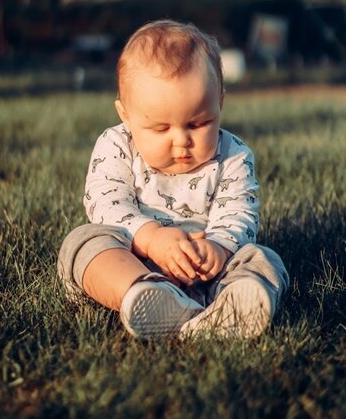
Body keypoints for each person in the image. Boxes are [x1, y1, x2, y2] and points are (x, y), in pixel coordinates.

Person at [58, 20, 289, 339]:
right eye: (161, 128)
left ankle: (232, 306)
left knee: (264, 260)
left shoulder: (233, 154)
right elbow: (105, 202)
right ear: (126, 115)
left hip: (207, 265)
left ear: (219, 103)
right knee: (82, 243)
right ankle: (142, 295)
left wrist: (219, 247)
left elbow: (239, 211)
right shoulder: (116, 145)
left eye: (198, 123)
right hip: (135, 257)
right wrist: (151, 239)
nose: (181, 140)